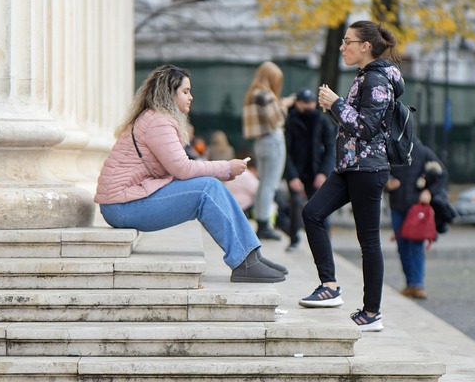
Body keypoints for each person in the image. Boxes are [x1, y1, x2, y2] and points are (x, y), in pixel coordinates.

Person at [94, 64, 288, 283]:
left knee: (208, 185)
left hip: (126, 202)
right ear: (169, 93)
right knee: (207, 187)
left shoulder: (156, 118)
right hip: (122, 207)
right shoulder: (158, 121)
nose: (191, 97)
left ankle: (252, 255)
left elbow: (178, 168)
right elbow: (183, 169)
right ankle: (245, 261)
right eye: (185, 91)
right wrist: (226, 168)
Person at [298, 21, 405, 333]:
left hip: (368, 169)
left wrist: (336, 104)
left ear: (366, 47)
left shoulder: (377, 80)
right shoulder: (367, 77)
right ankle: (329, 285)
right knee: (312, 213)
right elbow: (356, 126)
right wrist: (337, 108)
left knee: (368, 240)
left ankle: (372, 312)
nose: (343, 47)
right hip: (350, 166)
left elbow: (366, 128)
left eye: (348, 42)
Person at [386, 137, 450, 299]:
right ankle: (411, 284)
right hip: (397, 206)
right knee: (402, 247)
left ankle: (418, 284)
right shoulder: (391, 150)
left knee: (415, 246)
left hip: (416, 209)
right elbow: (379, 172)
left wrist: (429, 191)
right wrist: (387, 182)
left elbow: (442, 175)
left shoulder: (422, 151)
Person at [242, 61, 295, 241]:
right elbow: (277, 120)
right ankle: (264, 224)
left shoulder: (252, 94)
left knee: (263, 183)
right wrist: (285, 105)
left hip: (260, 142)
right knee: (270, 184)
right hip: (273, 141)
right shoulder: (265, 94)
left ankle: (261, 222)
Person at [284, 88, 335, 252]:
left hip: (316, 172)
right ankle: (294, 239)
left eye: (311, 102)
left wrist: (323, 173)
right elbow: (285, 152)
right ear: (297, 103)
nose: (308, 106)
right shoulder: (290, 121)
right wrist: (291, 176)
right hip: (297, 172)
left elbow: (331, 148)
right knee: (296, 203)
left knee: (320, 207)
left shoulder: (322, 120)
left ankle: (325, 242)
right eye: (304, 102)